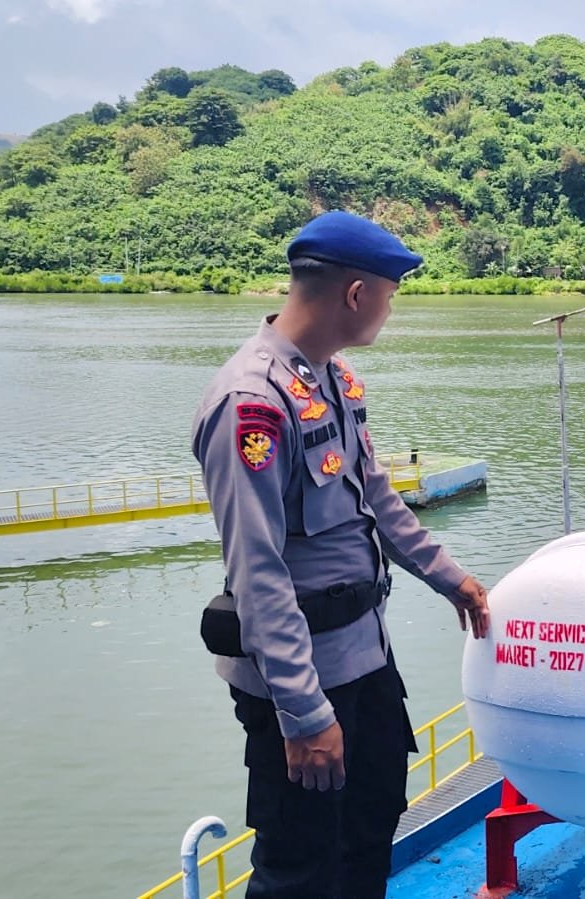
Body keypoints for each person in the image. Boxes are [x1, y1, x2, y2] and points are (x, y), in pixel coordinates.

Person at [191, 210, 491, 898]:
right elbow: (258, 570)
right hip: (299, 677)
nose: (390, 308)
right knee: (300, 861)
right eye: (390, 293)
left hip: (364, 654)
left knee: (370, 821)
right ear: (356, 294)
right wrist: (304, 714)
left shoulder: (330, 380)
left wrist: (453, 580)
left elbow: (378, 500)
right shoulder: (252, 403)